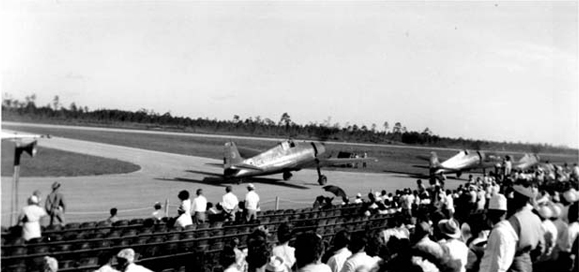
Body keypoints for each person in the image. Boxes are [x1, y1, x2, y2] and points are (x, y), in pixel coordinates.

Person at [508, 185, 545, 272]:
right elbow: (541, 245)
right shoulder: (536, 217)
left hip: (515, 258)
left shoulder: (514, 219)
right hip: (528, 259)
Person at [479, 193, 517, 272]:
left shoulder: (498, 233)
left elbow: (494, 263)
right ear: (505, 214)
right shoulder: (508, 229)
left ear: (490, 214)